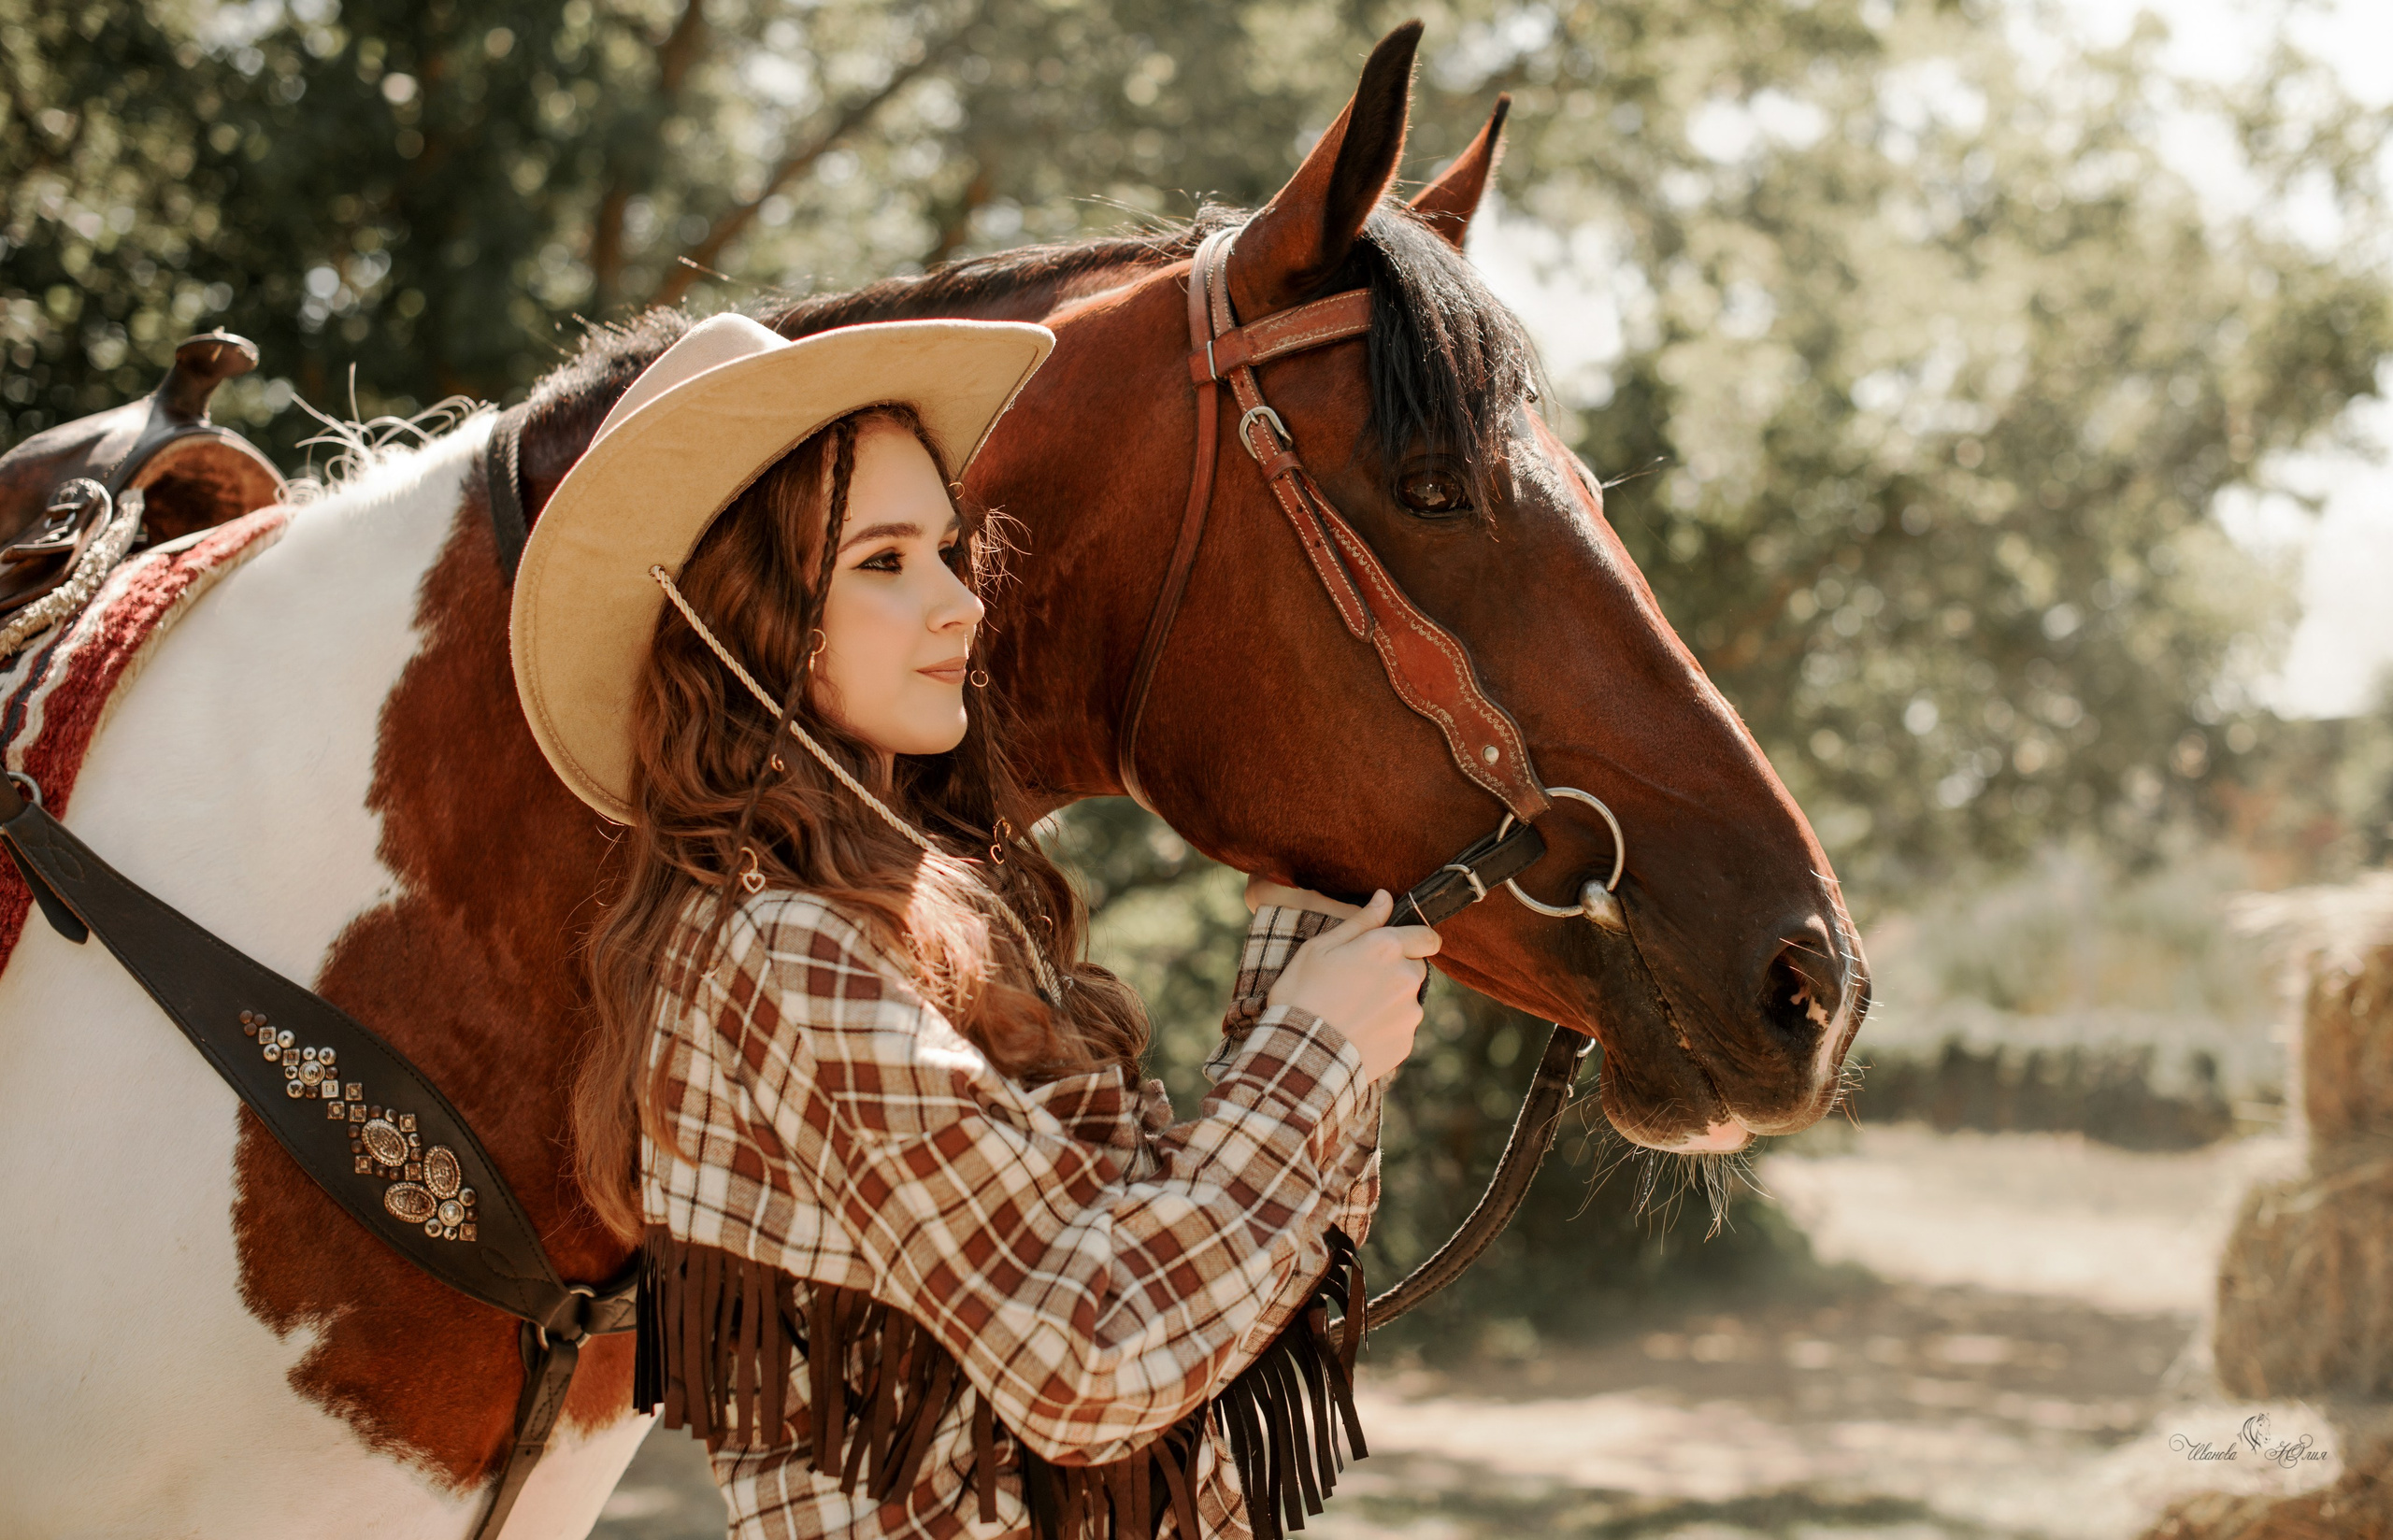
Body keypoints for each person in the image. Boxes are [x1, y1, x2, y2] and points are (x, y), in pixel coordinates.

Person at [510, 312, 1441, 1539]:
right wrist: (1313, 1050)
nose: (961, 605)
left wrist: (1301, 981)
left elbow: (1216, 1284)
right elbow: (1088, 1362)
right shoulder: (778, 952)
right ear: (743, 623)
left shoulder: (935, 916)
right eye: (883, 563)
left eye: (947, 553)